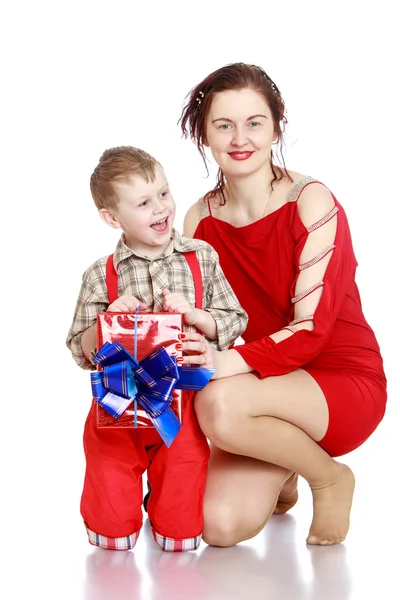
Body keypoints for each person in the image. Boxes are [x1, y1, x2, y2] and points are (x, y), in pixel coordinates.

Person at [178, 63, 387, 546]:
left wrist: (224, 363)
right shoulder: (199, 220)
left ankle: (329, 477)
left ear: (277, 127)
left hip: (339, 379)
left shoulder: (311, 201)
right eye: (223, 125)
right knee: (219, 527)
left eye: (254, 122)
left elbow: (311, 329)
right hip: (261, 386)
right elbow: (201, 326)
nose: (239, 138)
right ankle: (286, 466)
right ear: (203, 134)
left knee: (220, 404)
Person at [66, 146, 247, 551]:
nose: (160, 208)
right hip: (118, 399)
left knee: (183, 471)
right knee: (109, 470)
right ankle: (113, 528)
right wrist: (106, 323)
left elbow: (236, 318)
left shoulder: (201, 258)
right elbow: (79, 349)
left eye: (163, 193)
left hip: (181, 399)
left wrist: (198, 316)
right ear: (112, 218)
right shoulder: (100, 275)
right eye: (144, 202)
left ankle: (172, 527)